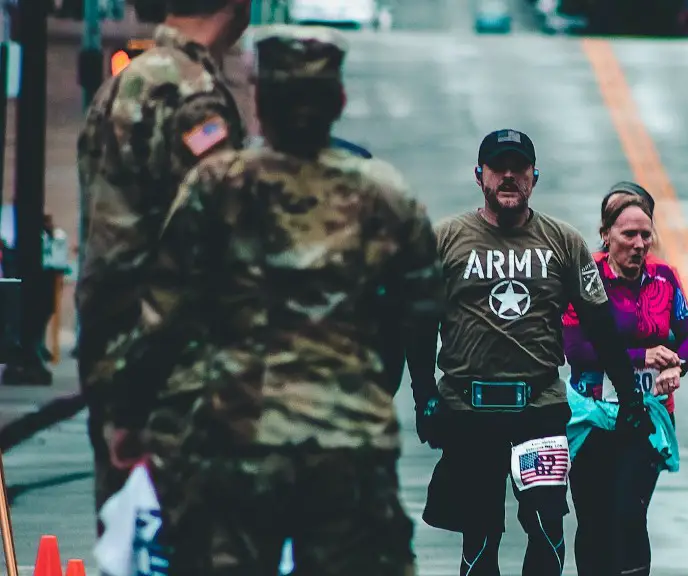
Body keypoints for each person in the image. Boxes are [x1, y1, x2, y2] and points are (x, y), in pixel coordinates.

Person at [109, 24, 443, 574]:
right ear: (338, 101)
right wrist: (362, 377)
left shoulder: (217, 186)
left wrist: (131, 415)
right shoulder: (385, 194)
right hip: (348, 442)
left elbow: (164, 313)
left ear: (258, 100)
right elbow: (422, 308)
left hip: (238, 438)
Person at [406, 129, 655, 576]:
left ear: (534, 176)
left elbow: (600, 326)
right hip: (469, 411)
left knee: (546, 529)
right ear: (478, 175)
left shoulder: (564, 242)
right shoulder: (443, 240)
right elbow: (418, 326)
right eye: (498, 167)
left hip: (539, 410)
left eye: (518, 168)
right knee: (480, 539)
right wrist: (423, 395)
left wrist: (630, 399)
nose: (508, 176)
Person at [75, 0, 250, 531]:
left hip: (118, 355)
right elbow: (209, 247)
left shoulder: (127, 83)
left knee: (130, 540)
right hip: (172, 375)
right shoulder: (191, 96)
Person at [562, 182, 688, 576]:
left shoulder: (664, 277)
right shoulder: (585, 276)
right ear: (606, 235)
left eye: (646, 234)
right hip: (591, 415)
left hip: (647, 413)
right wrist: (642, 355)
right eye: (629, 234)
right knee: (593, 520)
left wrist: (678, 366)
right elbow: (576, 350)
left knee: (629, 513)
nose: (640, 244)